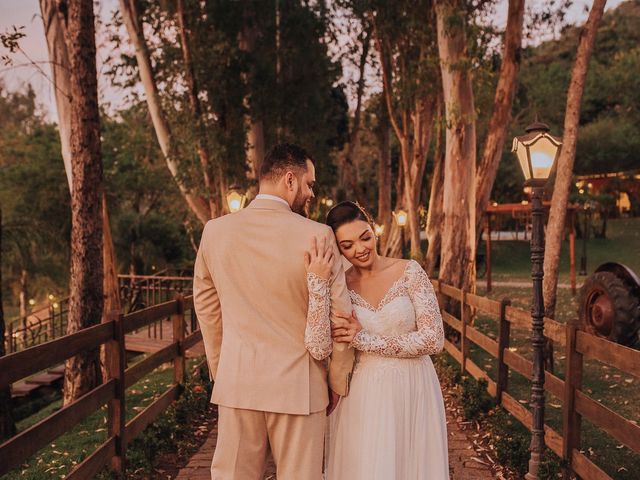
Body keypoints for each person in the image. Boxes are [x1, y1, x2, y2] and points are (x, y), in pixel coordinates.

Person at [193, 144, 354, 480]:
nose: (310, 193)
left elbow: (206, 306)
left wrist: (223, 367)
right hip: (301, 386)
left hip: (238, 382)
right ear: (290, 180)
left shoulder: (215, 231)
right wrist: (336, 380)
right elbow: (341, 316)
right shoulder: (319, 236)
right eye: (310, 184)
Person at [304, 201, 449, 479]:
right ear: (338, 249)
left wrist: (365, 339)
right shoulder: (340, 285)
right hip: (363, 390)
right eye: (347, 245)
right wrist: (317, 283)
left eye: (365, 237)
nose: (359, 249)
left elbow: (434, 339)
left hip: (413, 385)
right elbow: (320, 343)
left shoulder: (410, 271)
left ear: (374, 231)